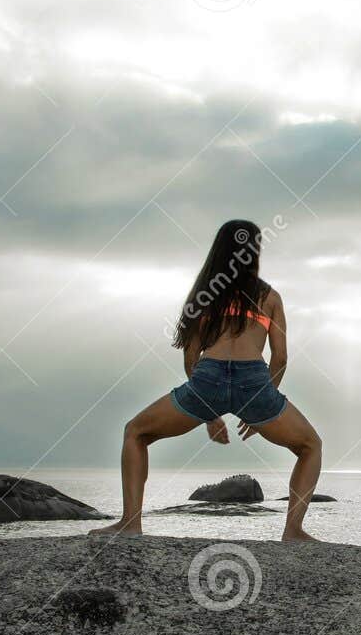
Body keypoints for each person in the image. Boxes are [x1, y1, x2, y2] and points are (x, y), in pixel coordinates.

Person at [92, 219, 323, 541]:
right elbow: (280, 358)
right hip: (253, 381)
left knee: (136, 432)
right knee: (310, 446)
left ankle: (131, 523)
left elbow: (190, 359)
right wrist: (261, 408)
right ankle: (293, 530)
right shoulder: (269, 296)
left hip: (208, 377)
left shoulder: (205, 293)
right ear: (254, 251)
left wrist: (210, 413)